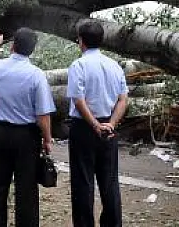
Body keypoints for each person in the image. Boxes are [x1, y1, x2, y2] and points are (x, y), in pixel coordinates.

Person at [0, 27, 56, 227]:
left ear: (13, 45)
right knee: (26, 190)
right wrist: (47, 139)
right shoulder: (36, 75)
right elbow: (42, 115)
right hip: (26, 137)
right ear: (31, 50)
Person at [66, 21, 128, 227]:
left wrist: (94, 125)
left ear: (81, 41)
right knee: (109, 181)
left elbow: (78, 99)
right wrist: (110, 124)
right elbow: (122, 100)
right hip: (108, 129)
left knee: (83, 181)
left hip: (84, 128)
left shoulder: (79, 65)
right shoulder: (114, 66)